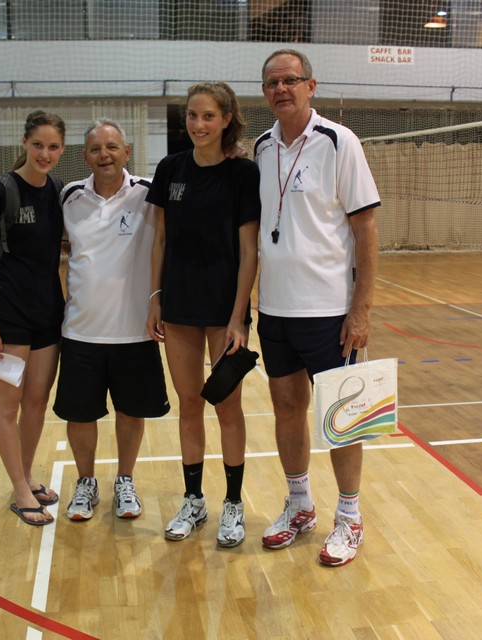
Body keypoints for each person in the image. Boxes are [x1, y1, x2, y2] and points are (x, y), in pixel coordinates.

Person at [253, 49, 381, 566]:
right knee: (287, 407)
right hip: (275, 309)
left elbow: (365, 228)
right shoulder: (262, 147)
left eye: (290, 80)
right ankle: (300, 503)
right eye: (272, 82)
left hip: (330, 310)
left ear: (311, 85)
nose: (281, 89)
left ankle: (349, 516)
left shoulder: (339, 141)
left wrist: (361, 309)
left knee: (344, 418)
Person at [146, 82, 260, 548]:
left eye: (208, 115)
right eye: (192, 115)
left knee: (226, 405)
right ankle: (193, 500)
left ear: (227, 119)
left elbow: (249, 251)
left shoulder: (243, 174)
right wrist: (156, 297)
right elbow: (160, 239)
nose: (198, 124)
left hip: (224, 309)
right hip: (179, 305)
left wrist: (238, 317)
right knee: (189, 402)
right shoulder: (169, 169)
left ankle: (233, 503)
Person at [53, 120, 171, 522]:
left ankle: (125, 480)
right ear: (85, 156)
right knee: (80, 415)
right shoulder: (69, 197)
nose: (104, 154)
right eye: (96, 149)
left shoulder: (150, 192)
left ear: (127, 152)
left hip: (134, 330)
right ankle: (85, 482)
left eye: (112, 147)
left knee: (131, 411)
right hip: (80, 330)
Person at [0, 110, 66, 526]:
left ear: (61, 150)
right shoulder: (0, 192)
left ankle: (26, 476)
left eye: (53, 147)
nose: (45, 153)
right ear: (25, 142)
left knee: (37, 402)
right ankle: (19, 489)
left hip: (48, 312)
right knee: (8, 405)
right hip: (8, 316)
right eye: (38, 145)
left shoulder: (58, 190)